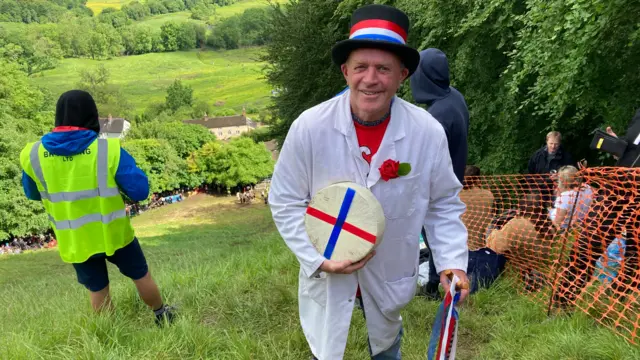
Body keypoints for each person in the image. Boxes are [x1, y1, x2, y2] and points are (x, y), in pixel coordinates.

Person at [268, 5, 469, 360]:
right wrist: (318, 260)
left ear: (402, 75)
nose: (370, 79)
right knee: (327, 348)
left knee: (387, 345)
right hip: (328, 273)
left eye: (383, 69)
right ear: (346, 71)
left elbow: (443, 203)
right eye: (361, 67)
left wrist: (452, 260)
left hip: (391, 269)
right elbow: (285, 200)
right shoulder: (310, 127)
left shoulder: (426, 132)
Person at [19, 90, 175, 326]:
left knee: (97, 289)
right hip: (115, 234)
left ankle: (111, 334)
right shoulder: (108, 149)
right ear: (92, 114)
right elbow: (140, 191)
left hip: (75, 238)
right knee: (140, 275)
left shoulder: (33, 154)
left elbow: (31, 193)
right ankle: (161, 315)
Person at [410, 48, 469, 184]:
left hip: (440, 192)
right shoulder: (453, 96)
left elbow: (427, 168)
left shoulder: (438, 116)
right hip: (452, 183)